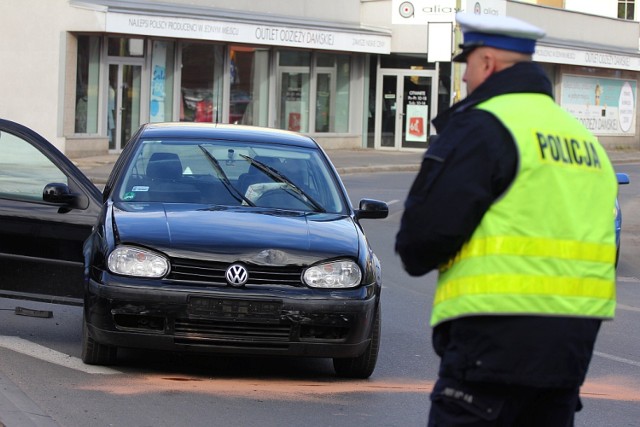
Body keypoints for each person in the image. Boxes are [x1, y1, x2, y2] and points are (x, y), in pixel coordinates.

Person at [395, 12, 618, 427]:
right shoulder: (584, 141)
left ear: (487, 63)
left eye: (466, 67)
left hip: (490, 349)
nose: (463, 81)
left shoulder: (485, 127)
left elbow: (419, 243)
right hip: (569, 355)